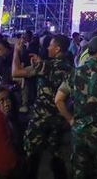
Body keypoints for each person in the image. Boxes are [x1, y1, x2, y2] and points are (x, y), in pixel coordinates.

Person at [55, 35, 97, 179]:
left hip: (79, 132)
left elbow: (58, 100)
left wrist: (70, 120)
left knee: (81, 171)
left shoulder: (75, 72)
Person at [13, 34, 73, 179]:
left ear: (58, 48)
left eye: (51, 45)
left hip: (41, 117)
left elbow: (15, 73)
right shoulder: (70, 68)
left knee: (30, 154)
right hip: (59, 117)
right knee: (57, 155)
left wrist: (16, 51)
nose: (48, 47)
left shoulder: (45, 65)